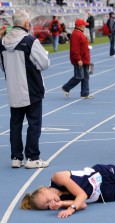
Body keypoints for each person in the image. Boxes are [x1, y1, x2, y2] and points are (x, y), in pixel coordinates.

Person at [0, 9, 50, 168]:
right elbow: (44, 63)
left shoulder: (2, 42)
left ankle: (16, 157)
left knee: (15, 125)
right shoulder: (30, 41)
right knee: (34, 124)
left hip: (13, 89)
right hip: (31, 89)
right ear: (27, 24)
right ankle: (32, 158)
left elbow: (3, 67)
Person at [20, 164, 115, 218]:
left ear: (44, 189)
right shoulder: (61, 202)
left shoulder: (58, 178)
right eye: (47, 206)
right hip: (104, 193)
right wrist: (62, 205)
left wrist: (70, 209)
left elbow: (82, 195)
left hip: (102, 174)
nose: (50, 203)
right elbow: (83, 204)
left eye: (47, 200)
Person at [62, 18, 94, 99]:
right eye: (83, 25)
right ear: (80, 26)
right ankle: (66, 87)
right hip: (80, 60)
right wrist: (78, 59)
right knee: (79, 76)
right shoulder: (76, 34)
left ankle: (85, 93)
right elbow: (75, 49)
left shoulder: (79, 33)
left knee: (86, 76)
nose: (84, 26)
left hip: (84, 59)